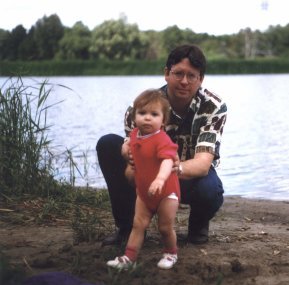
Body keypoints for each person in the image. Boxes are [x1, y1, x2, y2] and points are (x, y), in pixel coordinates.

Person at [96, 44, 227, 246]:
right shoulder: (141, 107)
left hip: (185, 175)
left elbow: (202, 164)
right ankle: (128, 228)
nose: (184, 81)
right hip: (147, 175)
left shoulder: (213, 107)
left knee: (210, 189)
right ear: (166, 73)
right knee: (107, 144)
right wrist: (126, 151)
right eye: (178, 74)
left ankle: (197, 229)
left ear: (200, 79)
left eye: (192, 76)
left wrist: (173, 168)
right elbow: (131, 160)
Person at [107, 89, 180, 270]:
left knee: (164, 227)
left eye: (154, 114)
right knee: (138, 224)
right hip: (144, 192)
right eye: (142, 113)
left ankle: (171, 252)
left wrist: (160, 179)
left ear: (164, 121)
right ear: (134, 116)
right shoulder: (134, 135)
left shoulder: (162, 139)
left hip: (166, 192)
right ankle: (129, 258)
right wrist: (125, 149)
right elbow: (132, 149)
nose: (147, 118)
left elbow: (167, 160)